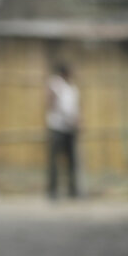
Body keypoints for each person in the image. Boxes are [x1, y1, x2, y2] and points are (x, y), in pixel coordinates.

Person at [45, 62, 80, 199]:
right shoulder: (55, 84)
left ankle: (73, 190)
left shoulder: (72, 87)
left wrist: (77, 120)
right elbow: (51, 102)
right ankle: (53, 191)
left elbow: (75, 107)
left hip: (70, 128)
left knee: (72, 160)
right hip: (57, 127)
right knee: (54, 161)